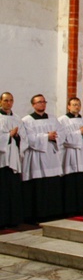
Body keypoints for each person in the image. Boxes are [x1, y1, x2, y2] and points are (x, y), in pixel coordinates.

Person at [22, 94, 67, 221]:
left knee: (52, 185)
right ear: (33, 105)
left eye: (44, 102)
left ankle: (53, 213)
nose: (42, 104)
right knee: (39, 186)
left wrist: (54, 137)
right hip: (36, 156)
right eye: (39, 102)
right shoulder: (27, 120)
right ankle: (37, 215)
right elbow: (27, 139)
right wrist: (46, 136)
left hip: (51, 155)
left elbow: (62, 133)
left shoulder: (53, 119)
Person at [58, 97, 83, 215]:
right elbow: (63, 139)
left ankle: (82, 208)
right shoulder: (62, 120)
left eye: (78, 104)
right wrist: (79, 133)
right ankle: (69, 209)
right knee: (70, 182)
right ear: (68, 106)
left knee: (82, 182)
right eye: (74, 104)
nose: (77, 107)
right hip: (69, 155)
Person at [0, 92, 26, 227]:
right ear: (0, 102)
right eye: (5, 100)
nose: (8, 103)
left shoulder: (17, 118)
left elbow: (24, 138)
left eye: (11, 100)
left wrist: (16, 137)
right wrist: (8, 136)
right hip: (2, 160)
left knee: (13, 189)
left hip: (14, 159)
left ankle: (13, 219)